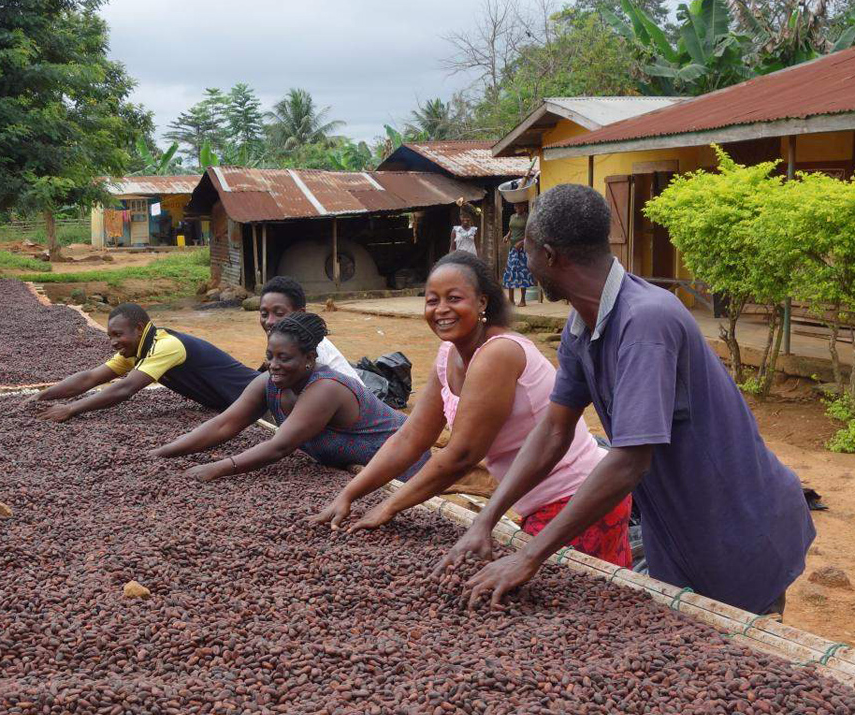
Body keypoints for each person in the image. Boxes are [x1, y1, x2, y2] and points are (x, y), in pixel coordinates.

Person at [437, 184, 815, 615]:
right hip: (678, 528)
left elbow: (629, 460)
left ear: (549, 255)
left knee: (746, 647)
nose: (523, 261)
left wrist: (528, 557)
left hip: (739, 526)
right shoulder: (582, 324)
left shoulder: (645, 324)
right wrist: (488, 519)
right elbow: (554, 429)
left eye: (524, 250)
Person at [312, 251, 631, 566]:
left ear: (483, 302)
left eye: (454, 298)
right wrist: (350, 494)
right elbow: (411, 437)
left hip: (576, 498)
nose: (441, 310)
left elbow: (462, 455)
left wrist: (389, 506)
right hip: (534, 502)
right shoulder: (448, 353)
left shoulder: (499, 353)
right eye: (432, 300)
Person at [150, 312, 429, 482]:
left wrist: (217, 469)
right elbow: (225, 423)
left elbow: (279, 447)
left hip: (402, 464)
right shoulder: (269, 383)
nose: (274, 364)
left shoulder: (326, 388)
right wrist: (163, 453)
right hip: (352, 467)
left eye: (285, 358)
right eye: (270, 356)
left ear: (309, 358)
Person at [34, 303, 259, 422]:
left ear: (140, 328)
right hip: (231, 405)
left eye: (117, 335)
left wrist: (71, 409)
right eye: (110, 336)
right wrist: (41, 396)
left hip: (260, 398)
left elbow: (125, 389)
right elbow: (91, 377)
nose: (113, 342)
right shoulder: (135, 350)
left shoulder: (166, 345)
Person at [257, 276, 362, 382]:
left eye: (279, 313)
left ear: (301, 314)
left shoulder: (313, 350)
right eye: (264, 314)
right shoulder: (289, 345)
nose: (269, 321)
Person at [503, 200, 534, 308]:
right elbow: (511, 229)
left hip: (523, 249)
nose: (517, 207)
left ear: (524, 206)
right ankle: (511, 300)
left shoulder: (527, 217)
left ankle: (523, 300)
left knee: (523, 274)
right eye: (516, 205)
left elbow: (531, 233)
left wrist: (522, 242)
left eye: (519, 205)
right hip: (513, 249)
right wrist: (507, 236)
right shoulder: (512, 217)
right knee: (510, 273)